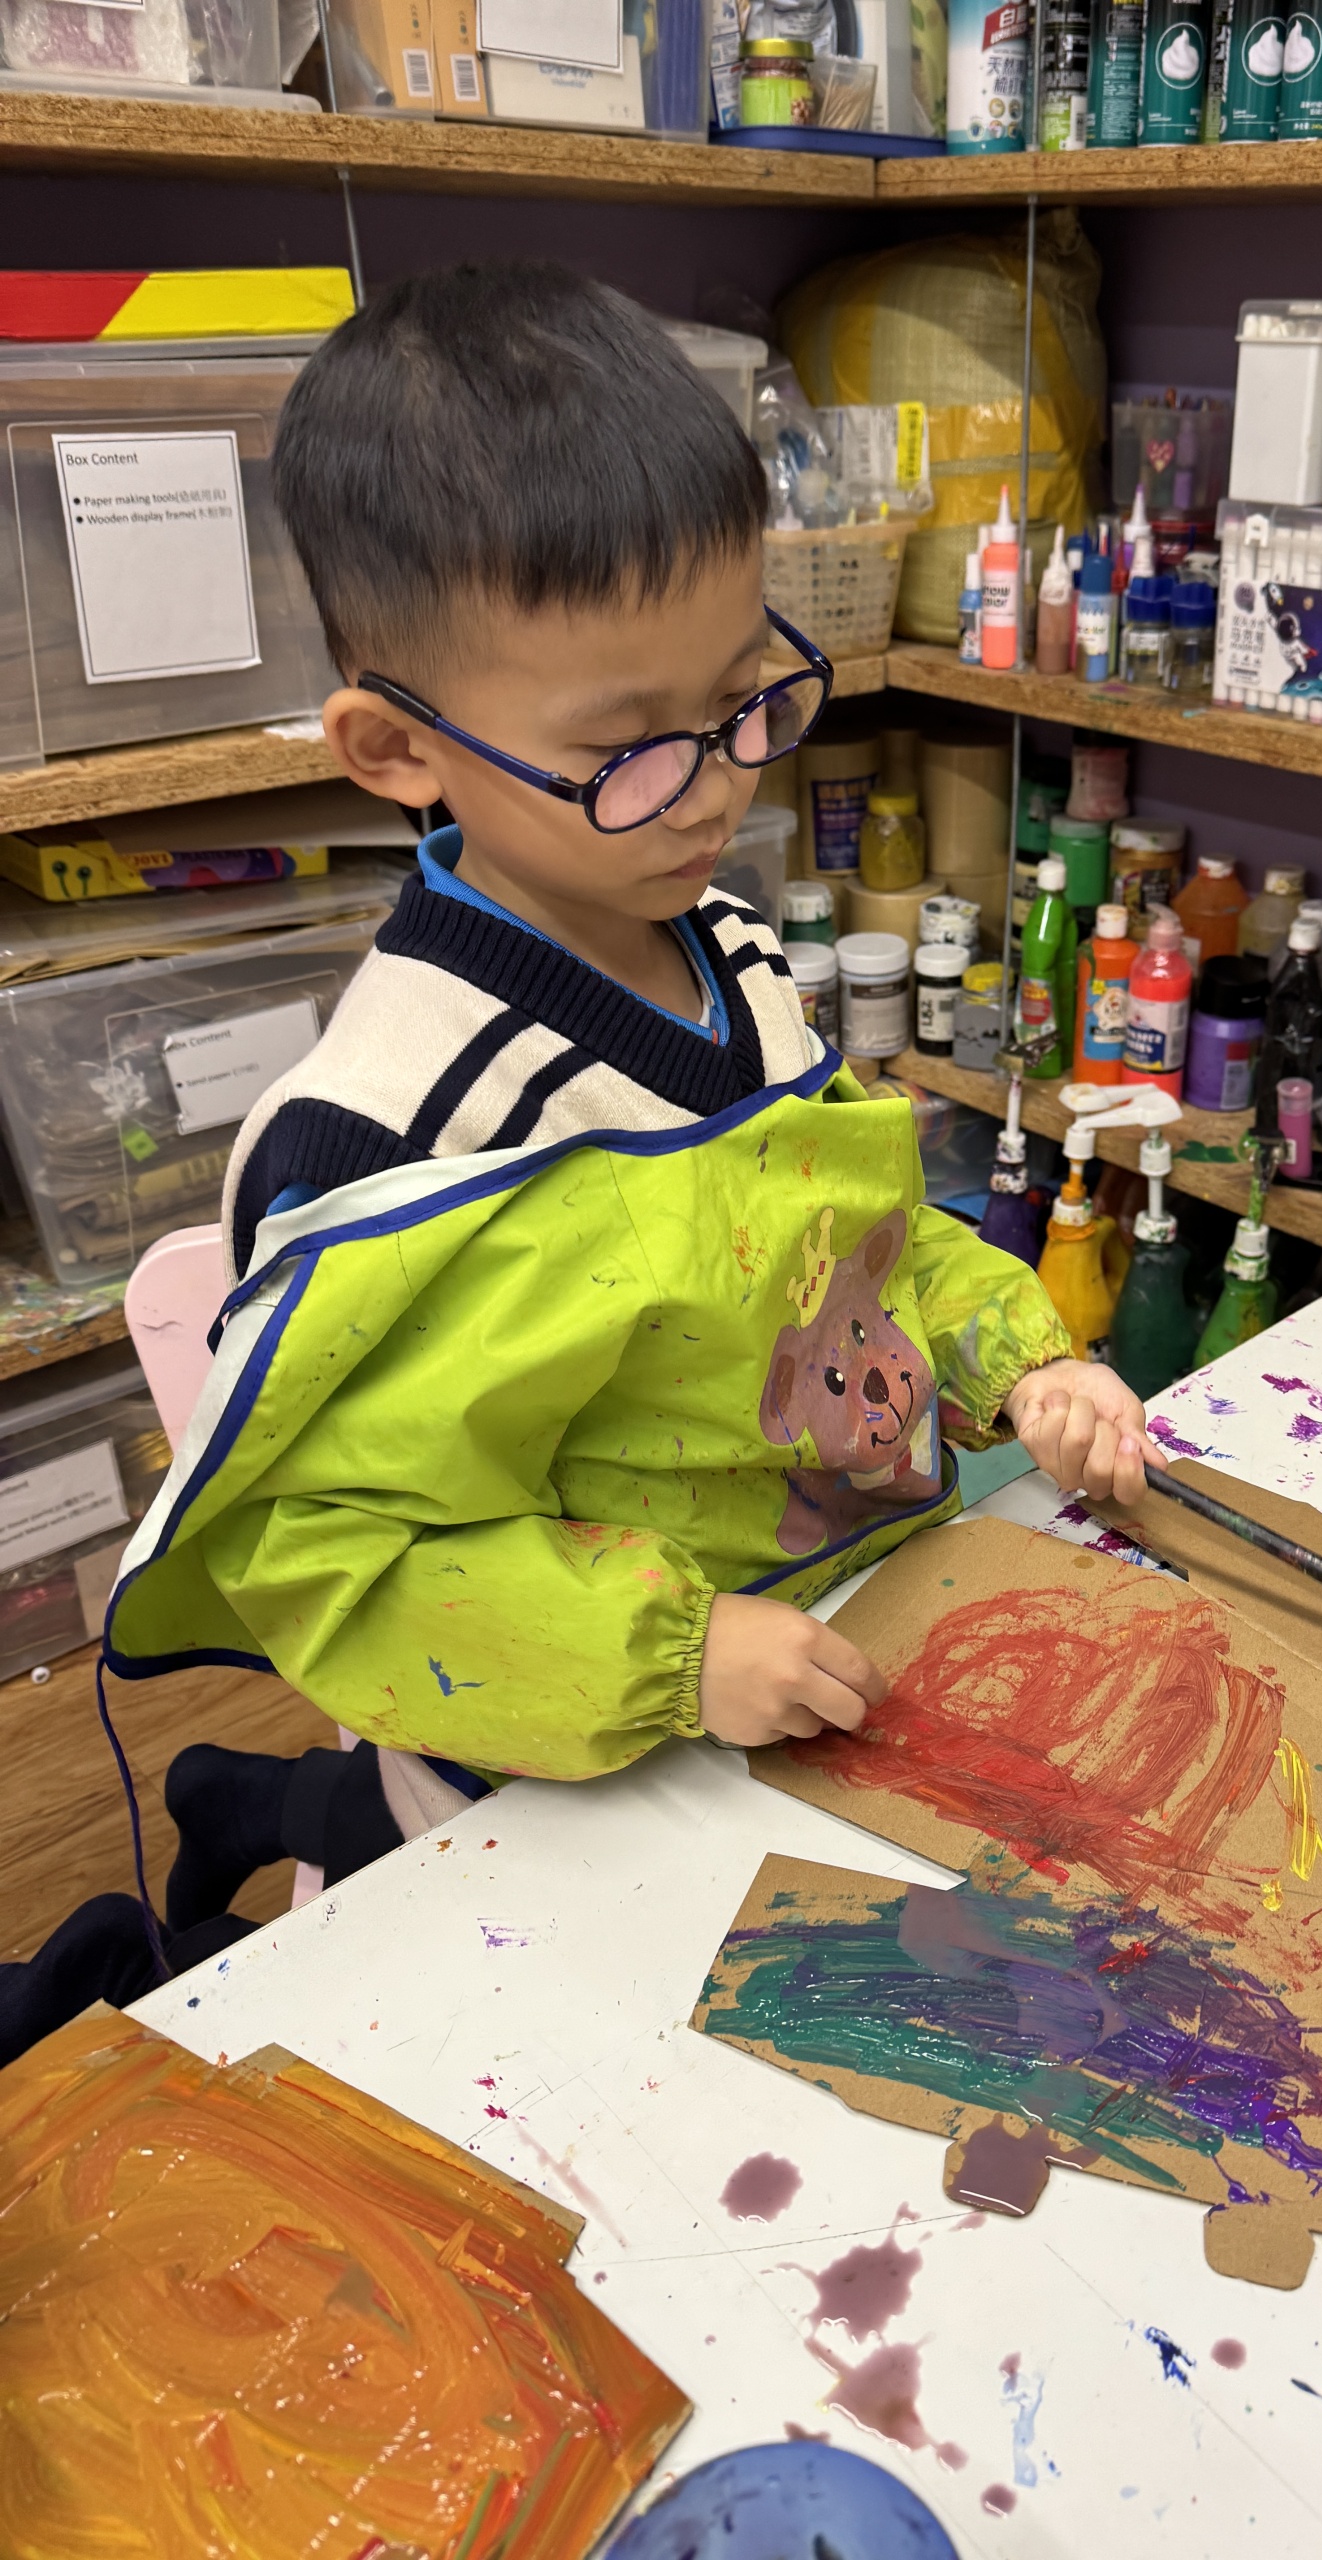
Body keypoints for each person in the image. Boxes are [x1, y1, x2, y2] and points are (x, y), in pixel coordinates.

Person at [58, 261, 1155, 2005]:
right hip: (573, 1761)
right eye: (626, 750)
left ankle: (272, 1804)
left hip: (843, 1636)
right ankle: (296, 1814)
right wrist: (672, 1657)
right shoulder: (394, 1146)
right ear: (394, 749)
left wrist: (1021, 1363)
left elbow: (857, 1256)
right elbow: (334, 1559)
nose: (718, 787)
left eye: (745, 697)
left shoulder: (729, 952)